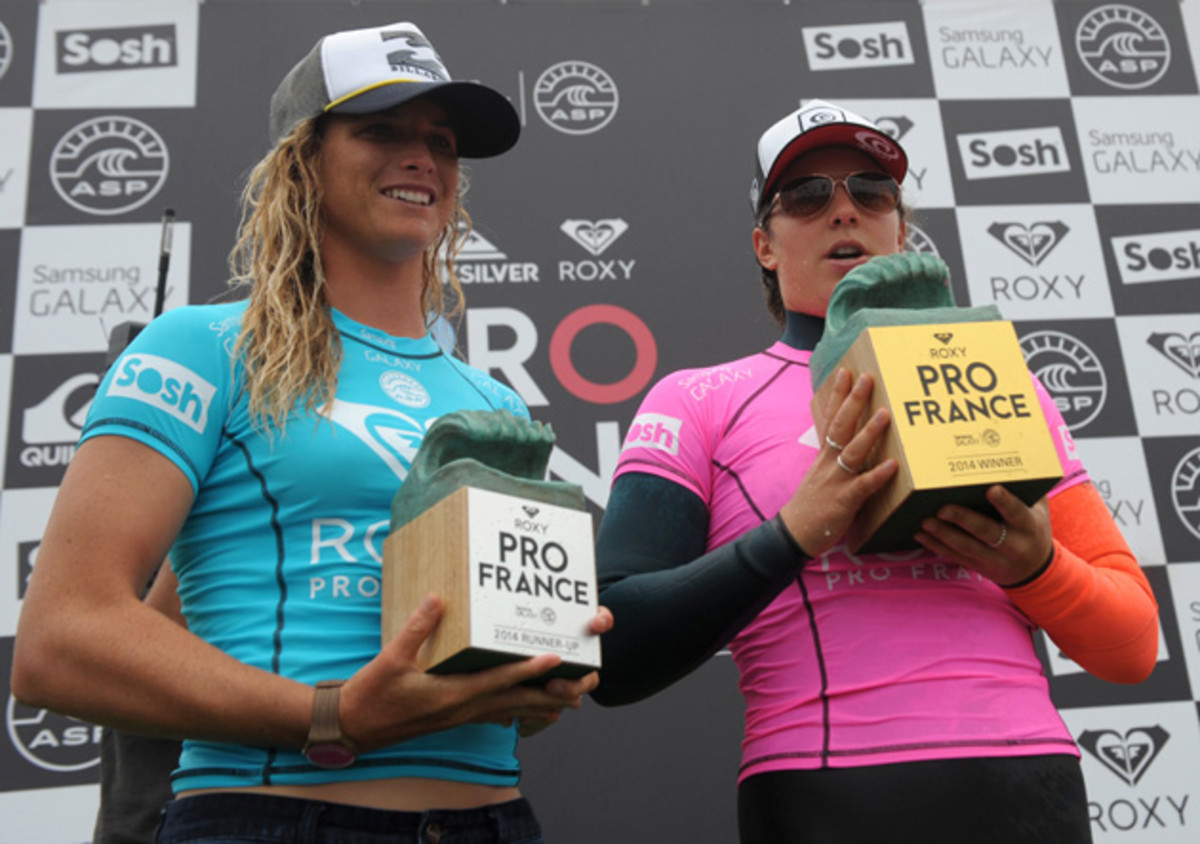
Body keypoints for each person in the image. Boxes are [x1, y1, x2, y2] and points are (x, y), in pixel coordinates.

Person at [13, 21, 610, 844]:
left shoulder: (491, 401)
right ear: (303, 160)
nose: (421, 158)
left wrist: (532, 680)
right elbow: (61, 643)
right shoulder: (205, 348)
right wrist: (330, 715)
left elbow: (199, 612)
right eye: (381, 131)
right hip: (274, 817)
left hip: (496, 821)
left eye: (440, 141)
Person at [591, 99, 1158, 843]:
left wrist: (1036, 566)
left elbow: (1132, 648)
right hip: (825, 794)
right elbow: (609, 648)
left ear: (899, 228)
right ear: (764, 244)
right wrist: (792, 535)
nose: (843, 211)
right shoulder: (702, 400)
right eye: (806, 196)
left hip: (1029, 790)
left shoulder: (998, 378)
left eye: (871, 191)